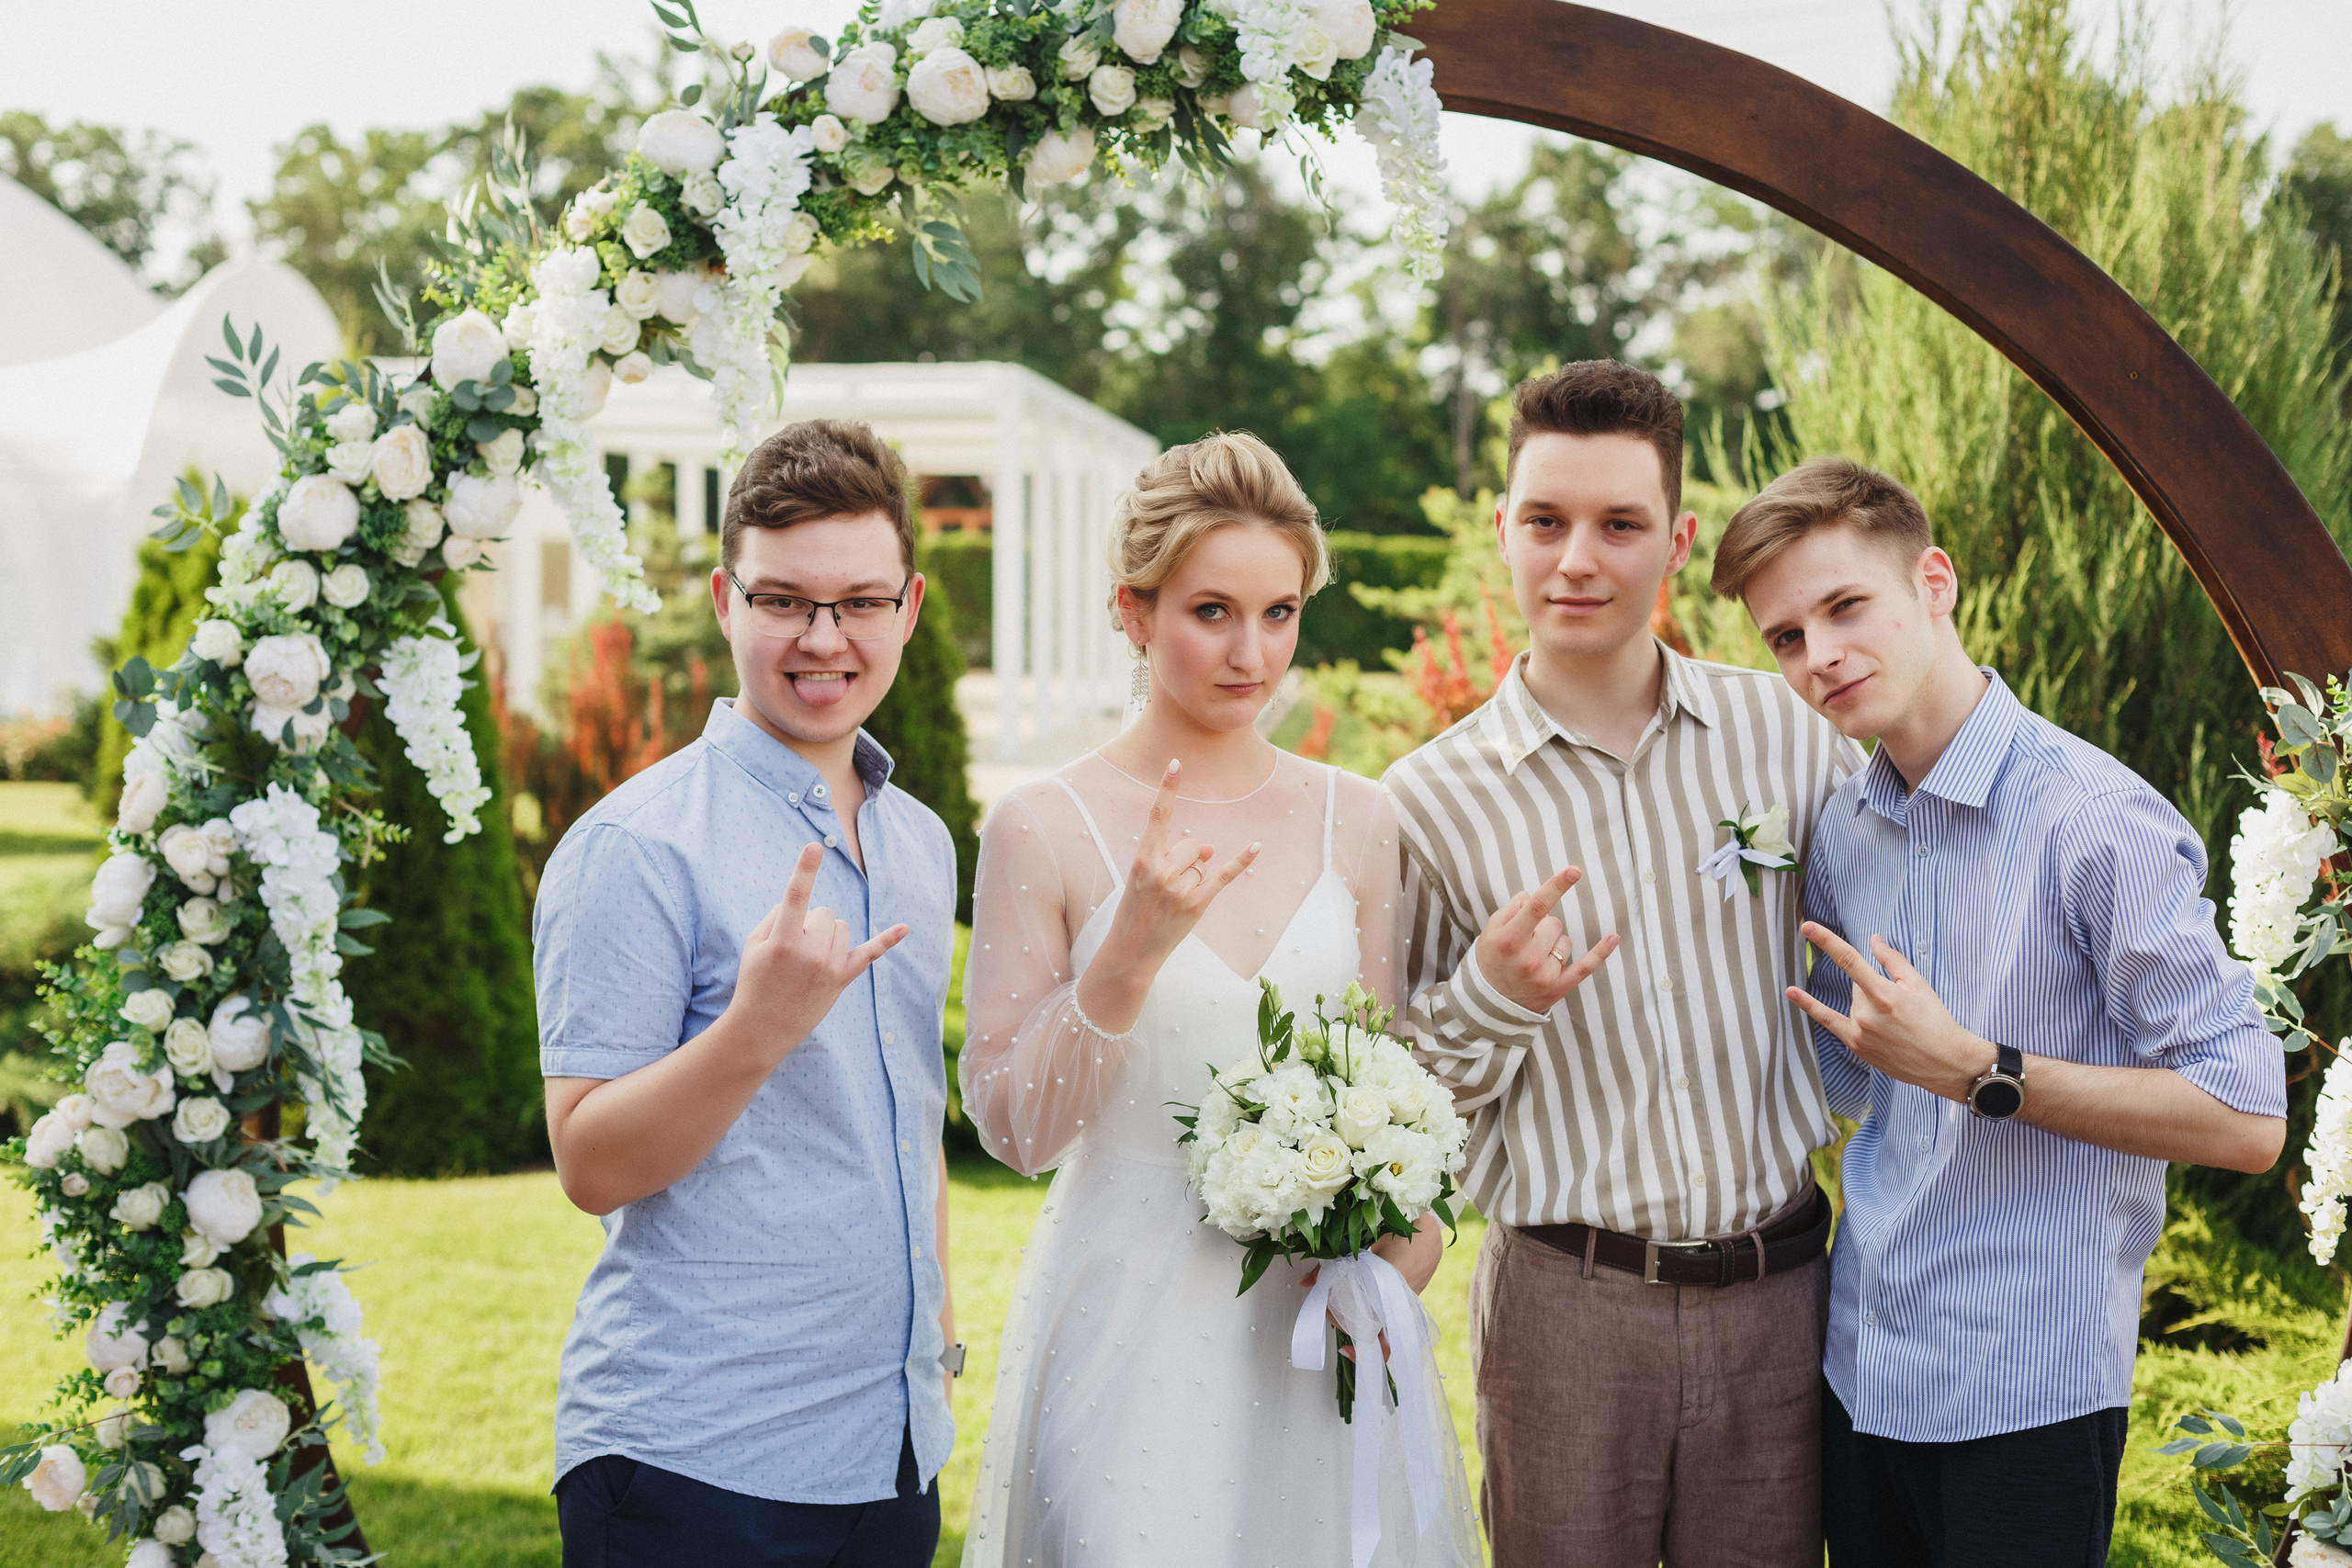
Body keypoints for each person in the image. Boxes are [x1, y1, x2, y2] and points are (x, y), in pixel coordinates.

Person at [1714, 456, 2289, 1565]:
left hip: (2025, 1395)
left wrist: (1982, 1067)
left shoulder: (2095, 819)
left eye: (1844, 606)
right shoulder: (1842, 829)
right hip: (1861, 1370)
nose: (1819, 655)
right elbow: (1846, 1082)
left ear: (1934, 583)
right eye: (1785, 637)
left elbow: (2245, 1118)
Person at [956, 431, 1480, 1567]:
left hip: (1314, 1318)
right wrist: (1126, 957)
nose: (1253, 654)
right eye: (1210, 612)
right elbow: (1013, 1129)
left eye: (1280, 613)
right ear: (1132, 613)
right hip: (1129, 1318)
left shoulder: (1361, 819)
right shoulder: (1042, 826)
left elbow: (1384, 1088)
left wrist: (1410, 1238)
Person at [1383, 361, 1863, 1566]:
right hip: (1565, 1307)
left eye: (1619, 524)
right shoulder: (1427, 802)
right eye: (1544, 521)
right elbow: (1391, 1104)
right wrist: (1490, 999)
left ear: (1680, 537)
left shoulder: (1791, 734)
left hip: (1784, 1294)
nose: (1577, 559)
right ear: (1504, 526)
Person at [534, 420, 960, 1567]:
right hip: (695, 1464)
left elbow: (906, 1120)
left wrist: (941, 1344)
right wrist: (757, 1031)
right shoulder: (633, 846)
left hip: (893, 1455)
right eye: (785, 602)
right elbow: (590, 1163)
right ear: (727, 600)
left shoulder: (919, 844)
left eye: (861, 604)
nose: (823, 639)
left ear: (908, 607)